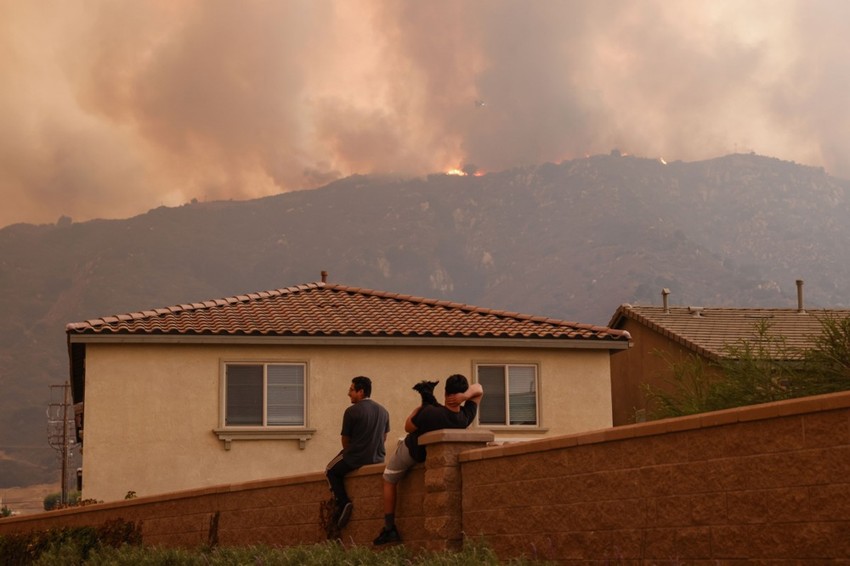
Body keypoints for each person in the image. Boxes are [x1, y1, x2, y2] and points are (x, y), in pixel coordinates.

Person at [373, 374, 484, 545]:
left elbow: (408, 426)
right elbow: (479, 389)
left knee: (388, 478)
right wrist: (466, 397)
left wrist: (418, 410)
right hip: (432, 455)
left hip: (413, 451)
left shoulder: (429, 413)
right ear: (461, 395)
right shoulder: (465, 417)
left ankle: (389, 528)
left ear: (445, 392)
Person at [326, 376, 390, 530]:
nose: (349, 394)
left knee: (330, 470)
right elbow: (384, 437)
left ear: (360, 392)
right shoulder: (384, 411)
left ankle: (343, 502)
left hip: (355, 457)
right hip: (377, 458)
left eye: (351, 390)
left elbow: (345, 441)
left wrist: (352, 454)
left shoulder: (351, 411)